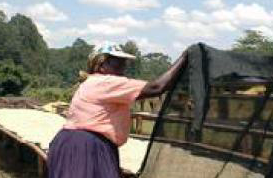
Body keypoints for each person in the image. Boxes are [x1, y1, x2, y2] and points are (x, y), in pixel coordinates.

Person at [47, 42, 187, 178]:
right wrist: (184, 58)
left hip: (70, 144)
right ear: (101, 65)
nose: (123, 66)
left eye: (124, 62)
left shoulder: (90, 83)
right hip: (87, 147)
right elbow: (157, 87)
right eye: (117, 61)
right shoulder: (106, 82)